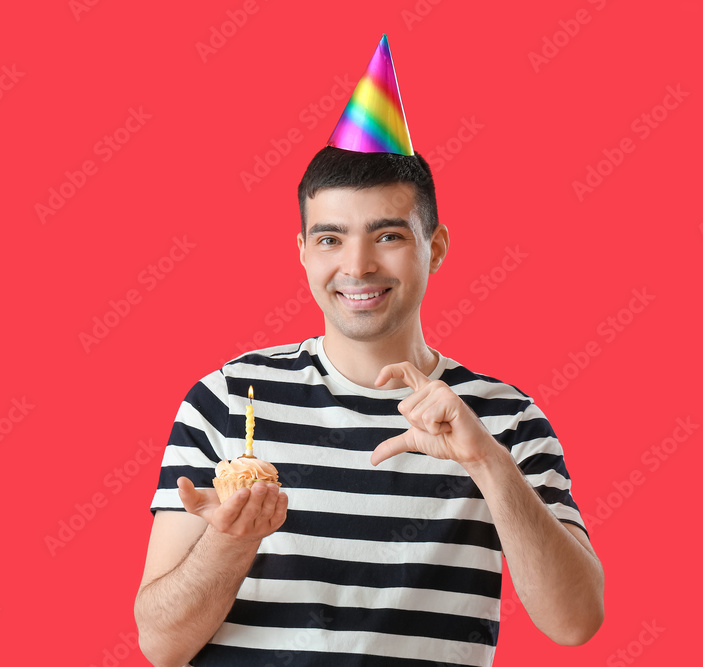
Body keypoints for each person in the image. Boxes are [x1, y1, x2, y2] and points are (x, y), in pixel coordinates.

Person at [134, 36, 603, 667]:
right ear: (303, 252)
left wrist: (488, 463)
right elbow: (160, 645)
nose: (356, 266)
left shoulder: (505, 417)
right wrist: (231, 542)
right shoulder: (227, 399)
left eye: (387, 236)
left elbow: (575, 622)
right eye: (330, 239)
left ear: (436, 247)